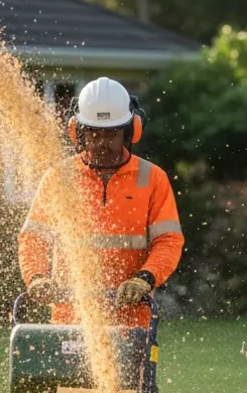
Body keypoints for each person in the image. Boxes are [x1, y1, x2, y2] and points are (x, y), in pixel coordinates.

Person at [18, 77, 183, 326]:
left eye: (111, 134)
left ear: (131, 131)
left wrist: (145, 278)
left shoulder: (152, 178)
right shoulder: (59, 178)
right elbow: (34, 237)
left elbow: (168, 241)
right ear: (78, 131)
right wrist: (37, 277)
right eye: (94, 133)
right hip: (70, 316)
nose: (102, 142)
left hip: (132, 318)